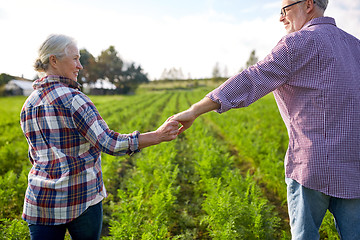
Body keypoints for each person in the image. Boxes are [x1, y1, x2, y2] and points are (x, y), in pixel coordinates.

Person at [172, 0, 360, 239]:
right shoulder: (355, 46)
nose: (281, 18)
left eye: (285, 10)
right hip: (355, 166)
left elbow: (251, 80)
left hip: (312, 166)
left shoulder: (297, 43)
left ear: (309, 4)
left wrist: (195, 109)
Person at [20, 34, 179, 240]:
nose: (80, 66)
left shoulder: (29, 105)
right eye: (75, 58)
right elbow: (110, 144)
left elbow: (35, 156)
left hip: (40, 200)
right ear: (53, 60)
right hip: (81, 198)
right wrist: (157, 136)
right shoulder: (74, 99)